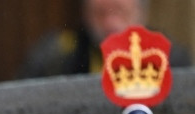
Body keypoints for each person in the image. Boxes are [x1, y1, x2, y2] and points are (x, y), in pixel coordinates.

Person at [18, 0, 190, 78]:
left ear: (141, 7)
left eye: (119, 9)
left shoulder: (169, 56)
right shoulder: (55, 55)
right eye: (101, 12)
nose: (109, 2)